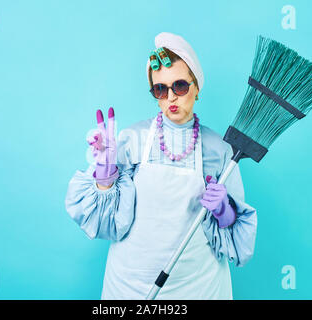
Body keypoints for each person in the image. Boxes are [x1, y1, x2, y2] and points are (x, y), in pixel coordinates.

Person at [65, 32, 257, 300]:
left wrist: (225, 210)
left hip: (198, 285)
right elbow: (106, 224)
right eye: (160, 89)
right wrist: (105, 175)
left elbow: (236, 241)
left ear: (196, 87)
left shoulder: (220, 150)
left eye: (179, 86)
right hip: (131, 284)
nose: (171, 97)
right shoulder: (132, 139)